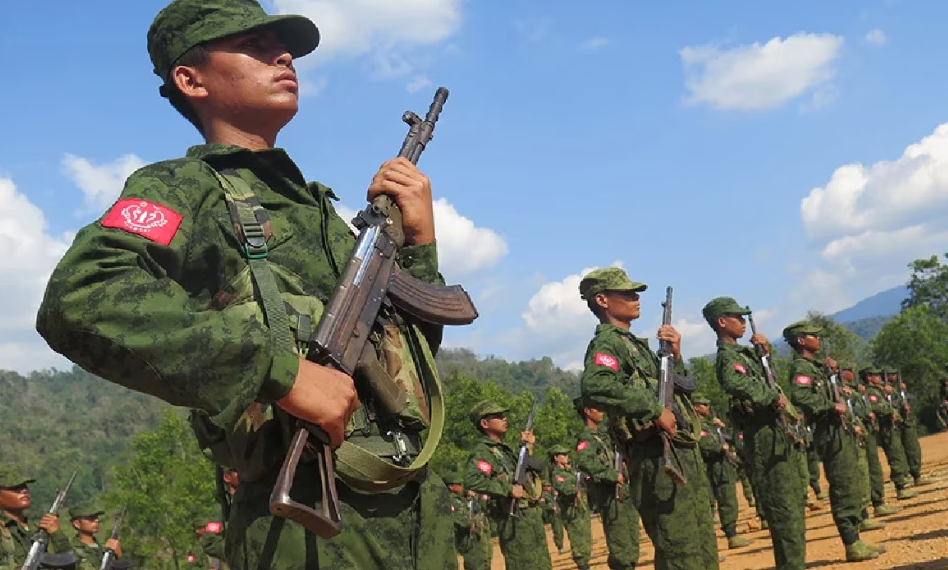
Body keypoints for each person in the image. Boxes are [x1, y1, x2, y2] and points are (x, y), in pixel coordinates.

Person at [34, 0, 459, 568]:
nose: (282, 55)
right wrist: (280, 375)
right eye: (254, 46)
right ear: (191, 79)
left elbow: (411, 360)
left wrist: (420, 246)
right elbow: (80, 299)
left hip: (414, 506)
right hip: (308, 526)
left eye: (280, 46)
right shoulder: (187, 187)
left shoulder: (321, 213)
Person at [580, 268, 719, 570]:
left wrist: (677, 356)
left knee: (701, 545)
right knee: (680, 552)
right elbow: (596, 385)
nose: (636, 298)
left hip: (678, 451)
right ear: (602, 300)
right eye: (627, 294)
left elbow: (683, 390)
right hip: (654, 456)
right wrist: (654, 411)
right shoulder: (608, 344)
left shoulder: (634, 345)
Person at [701, 297, 805, 570]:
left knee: (792, 502)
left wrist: (766, 354)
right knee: (782, 507)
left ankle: (795, 562)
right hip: (761, 435)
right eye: (738, 317)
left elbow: (770, 380)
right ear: (722, 322)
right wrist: (770, 397)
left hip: (775, 431)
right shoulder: (728, 356)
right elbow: (734, 382)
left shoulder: (745, 354)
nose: (744, 322)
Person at [785, 321, 884, 562]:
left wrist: (830, 373)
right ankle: (851, 542)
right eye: (813, 336)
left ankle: (856, 535)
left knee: (851, 480)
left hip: (839, 430)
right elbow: (801, 396)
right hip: (828, 431)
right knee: (842, 484)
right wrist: (831, 406)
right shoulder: (801, 368)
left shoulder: (814, 367)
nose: (817, 340)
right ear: (801, 341)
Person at [464, 401, 552, 570]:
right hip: (514, 519)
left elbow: (536, 470)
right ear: (484, 424)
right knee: (524, 565)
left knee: (542, 564)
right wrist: (508, 489)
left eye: (503, 416)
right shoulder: (483, 452)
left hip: (530, 516)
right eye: (497, 416)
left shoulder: (507, 451)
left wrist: (528, 447)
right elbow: (472, 480)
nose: (504, 419)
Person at [573, 397, 640, 570]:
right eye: (597, 408)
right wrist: (611, 475)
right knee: (620, 545)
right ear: (587, 411)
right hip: (609, 495)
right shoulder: (586, 437)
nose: (601, 411)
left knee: (632, 541)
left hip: (623, 493)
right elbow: (585, 462)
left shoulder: (605, 436)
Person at [692, 394, 752, 550]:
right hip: (708, 468)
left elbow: (727, 438)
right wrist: (720, 447)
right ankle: (708, 545)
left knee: (728, 500)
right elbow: (704, 444)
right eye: (705, 405)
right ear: (696, 407)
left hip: (722, 466)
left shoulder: (709, 424)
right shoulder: (696, 425)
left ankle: (732, 535)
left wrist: (720, 428)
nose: (708, 407)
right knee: (709, 504)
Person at [848, 370, 901, 519]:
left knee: (875, 467)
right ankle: (871, 507)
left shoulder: (860, 391)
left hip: (868, 430)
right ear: (869, 377)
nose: (852, 374)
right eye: (875, 375)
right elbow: (867, 408)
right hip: (859, 432)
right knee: (868, 469)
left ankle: (879, 502)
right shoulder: (856, 392)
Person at [0, 466, 71, 568]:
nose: (24, 491)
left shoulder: (37, 528)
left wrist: (56, 533)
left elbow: (67, 562)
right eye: (15, 488)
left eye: (25, 486)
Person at [864, 369, 917, 500]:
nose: (879, 377)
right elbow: (876, 407)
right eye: (875, 375)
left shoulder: (880, 389)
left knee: (898, 454)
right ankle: (899, 487)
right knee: (895, 456)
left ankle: (902, 483)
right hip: (884, 427)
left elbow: (895, 401)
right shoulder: (870, 391)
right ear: (869, 377)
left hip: (891, 426)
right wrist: (889, 411)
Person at [549, 448, 592, 570]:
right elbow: (565, 488)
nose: (566, 456)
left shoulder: (571, 470)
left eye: (567, 454)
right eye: (562, 454)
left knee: (586, 536)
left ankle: (585, 561)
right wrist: (575, 487)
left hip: (581, 508)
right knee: (577, 538)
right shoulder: (557, 474)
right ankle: (582, 564)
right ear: (555, 458)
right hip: (571, 510)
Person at [887, 371, 932, 487]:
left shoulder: (897, 389)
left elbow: (909, 400)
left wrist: (904, 392)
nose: (894, 377)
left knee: (913, 449)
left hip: (906, 421)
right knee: (899, 453)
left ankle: (916, 474)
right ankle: (904, 477)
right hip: (895, 424)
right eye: (891, 374)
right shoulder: (884, 389)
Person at [443, 471, 490, 570]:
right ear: (451, 487)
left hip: (470, 536)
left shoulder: (460, 499)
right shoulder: (448, 500)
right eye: (458, 484)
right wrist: (468, 523)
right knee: (474, 563)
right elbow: (455, 516)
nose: (461, 486)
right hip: (462, 537)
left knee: (482, 559)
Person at [67, 502, 124, 570]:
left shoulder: (104, 549)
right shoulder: (71, 552)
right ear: (77, 524)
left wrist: (119, 556)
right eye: (90, 518)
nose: (96, 520)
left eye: (96, 517)